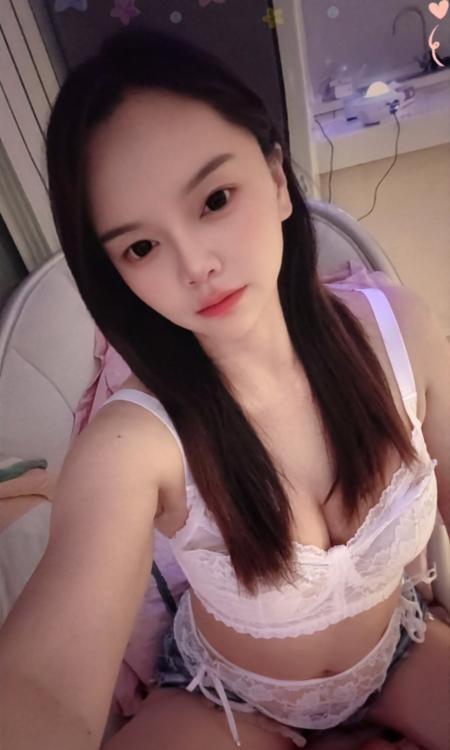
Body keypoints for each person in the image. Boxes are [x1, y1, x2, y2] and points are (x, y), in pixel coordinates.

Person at [0, 26, 449, 750]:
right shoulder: (134, 442)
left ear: (275, 179)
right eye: (141, 246)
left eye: (214, 199)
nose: (195, 265)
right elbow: (42, 686)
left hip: (398, 652)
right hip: (223, 700)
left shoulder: (400, 333)